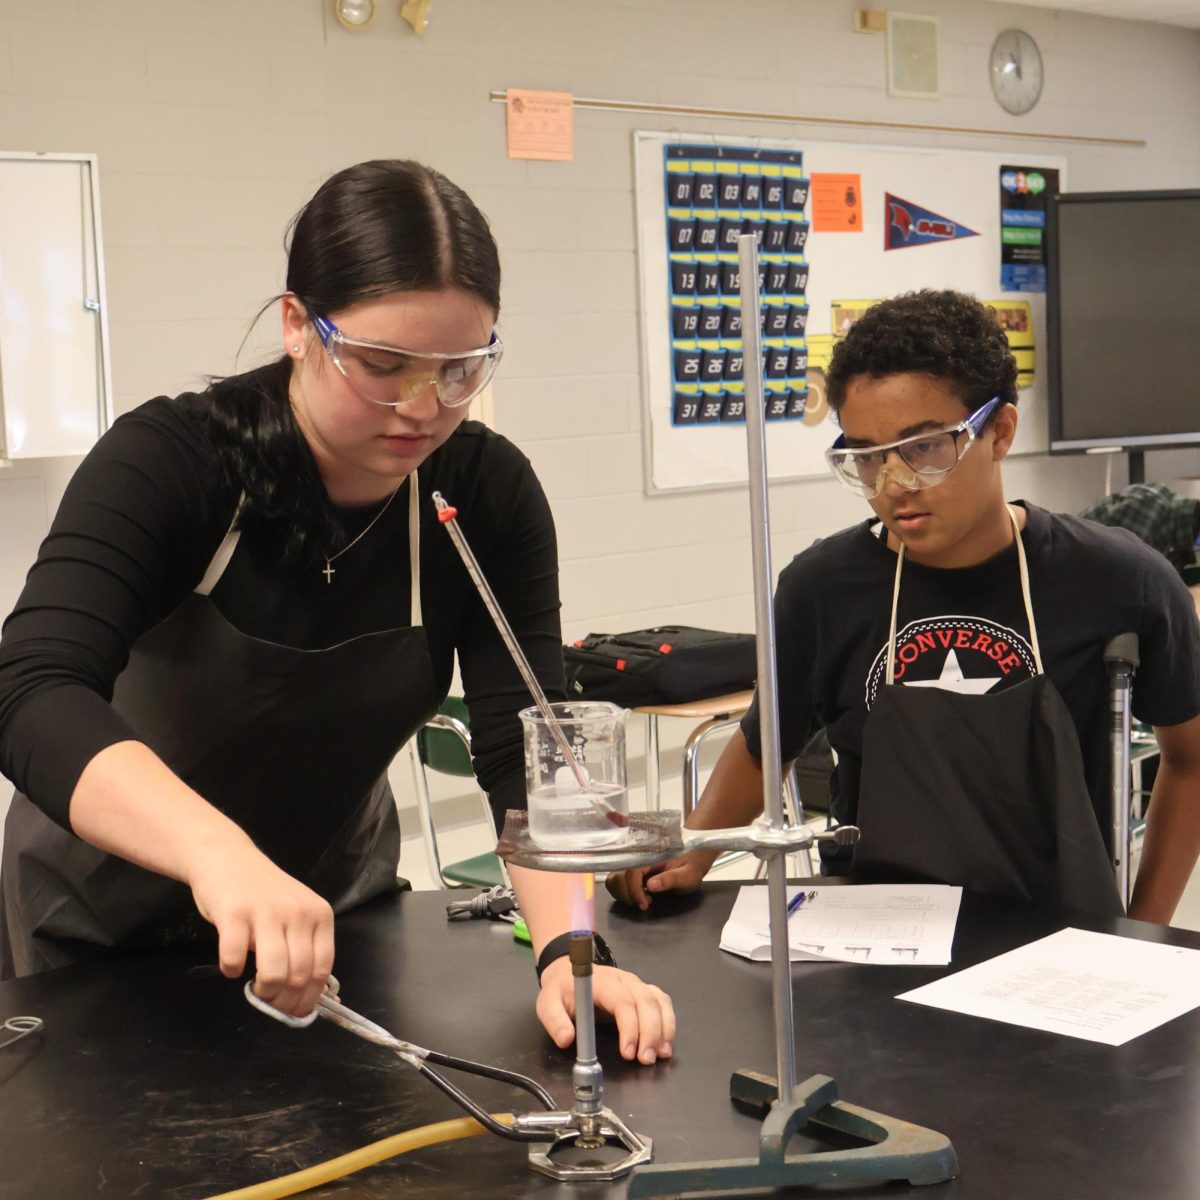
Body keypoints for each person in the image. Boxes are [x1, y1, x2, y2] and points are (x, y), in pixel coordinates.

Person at [0, 159, 673, 1065]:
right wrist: (218, 854)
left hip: (334, 926)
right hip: (102, 935)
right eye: (383, 366)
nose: (424, 408)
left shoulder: (483, 492)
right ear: (296, 328)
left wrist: (572, 953)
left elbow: (525, 745)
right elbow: (31, 686)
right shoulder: (174, 465)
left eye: (460, 369)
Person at [609, 289, 1200, 923]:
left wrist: (1144, 930)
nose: (893, 486)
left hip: (1058, 941)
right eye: (866, 457)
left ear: (1000, 431)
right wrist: (692, 851)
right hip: (871, 942)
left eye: (924, 448)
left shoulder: (1118, 580)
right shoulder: (823, 588)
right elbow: (764, 747)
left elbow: (1191, 762)